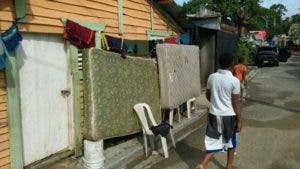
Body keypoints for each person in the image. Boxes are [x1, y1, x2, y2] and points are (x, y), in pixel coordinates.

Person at [197, 53, 242, 169]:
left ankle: (203, 164)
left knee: (213, 140)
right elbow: (236, 103)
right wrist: (240, 120)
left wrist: (216, 104)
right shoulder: (234, 81)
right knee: (231, 142)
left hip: (213, 114)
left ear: (219, 63)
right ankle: (229, 166)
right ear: (232, 64)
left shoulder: (212, 77)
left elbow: (208, 95)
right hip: (228, 116)